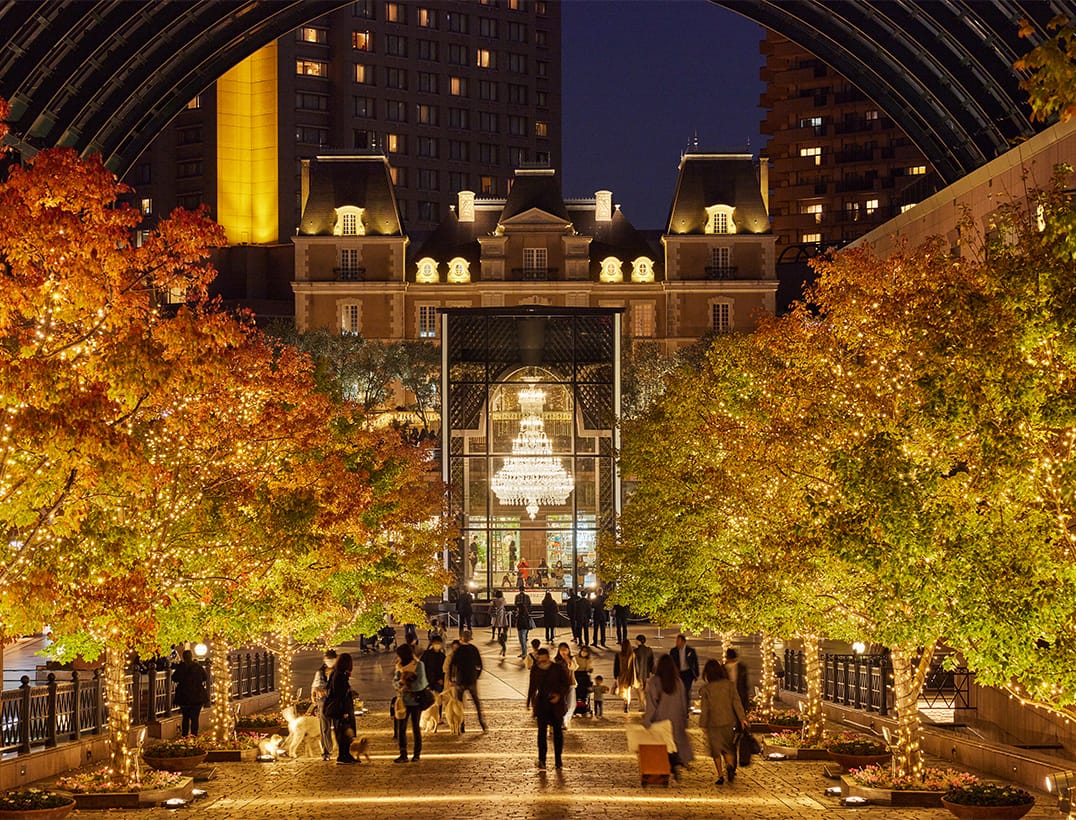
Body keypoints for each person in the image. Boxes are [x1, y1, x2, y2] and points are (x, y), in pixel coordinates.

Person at [643, 653, 695, 778]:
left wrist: (647, 721)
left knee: (662, 746)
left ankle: (667, 767)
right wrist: (684, 719)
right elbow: (684, 702)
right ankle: (675, 762)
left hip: (661, 720)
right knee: (674, 743)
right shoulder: (678, 682)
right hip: (676, 719)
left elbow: (651, 705)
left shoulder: (654, 682)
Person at [699, 659, 747, 785]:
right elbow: (736, 702)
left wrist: (703, 724)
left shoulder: (706, 689)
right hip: (728, 721)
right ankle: (730, 766)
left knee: (716, 751)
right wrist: (742, 718)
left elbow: (705, 709)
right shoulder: (729, 685)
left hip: (713, 723)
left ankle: (720, 775)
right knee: (728, 748)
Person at [526, 647, 570, 770]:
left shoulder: (557, 668)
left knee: (557, 733)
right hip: (542, 704)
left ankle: (558, 760)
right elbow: (532, 685)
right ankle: (542, 759)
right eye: (540, 659)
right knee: (541, 733)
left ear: (548, 657)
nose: (542, 661)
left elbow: (566, 683)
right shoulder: (535, 669)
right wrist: (529, 700)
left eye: (544, 658)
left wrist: (559, 695)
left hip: (556, 705)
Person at [392, 643, 428, 763]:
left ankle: (417, 754)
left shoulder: (418, 665)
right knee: (401, 728)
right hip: (403, 701)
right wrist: (400, 684)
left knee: (415, 728)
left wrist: (407, 686)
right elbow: (395, 682)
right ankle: (403, 753)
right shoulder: (399, 666)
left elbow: (421, 684)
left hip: (415, 701)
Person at [448, 630, 488, 732]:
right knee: (476, 703)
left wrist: (451, 679)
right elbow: (480, 665)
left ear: (461, 638)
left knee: (459, 705)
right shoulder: (473, 649)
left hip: (460, 680)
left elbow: (451, 665)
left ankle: (461, 725)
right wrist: (476, 676)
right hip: (471, 680)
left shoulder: (458, 650)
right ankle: (482, 723)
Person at [325, 652, 359, 764]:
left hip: (342, 707)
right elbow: (340, 695)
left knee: (345, 732)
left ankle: (346, 754)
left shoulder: (337, 674)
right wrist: (344, 711)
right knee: (344, 732)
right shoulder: (340, 676)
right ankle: (342, 755)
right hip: (341, 709)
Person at [171, 649, 208, 736]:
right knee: (195, 718)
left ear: (183, 657)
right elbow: (205, 677)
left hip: (184, 697)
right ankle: (194, 735)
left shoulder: (181, 668)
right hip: (197, 696)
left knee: (185, 717)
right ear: (191, 657)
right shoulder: (198, 667)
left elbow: (174, 678)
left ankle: (184, 735)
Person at [311, 648, 338, 760]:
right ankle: (326, 751)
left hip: (335, 702)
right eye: (328, 659)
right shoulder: (320, 672)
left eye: (331, 659)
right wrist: (314, 696)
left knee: (337, 727)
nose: (329, 661)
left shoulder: (338, 672)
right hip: (323, 702)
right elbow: (315, 686)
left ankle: (341, 750)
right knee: (325, 728)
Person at [670, 634, 700, 706]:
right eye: (676, 641)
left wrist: (696, 674)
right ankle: (679, 705)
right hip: (678, 673)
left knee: (686, 690)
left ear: (683, 642)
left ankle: (686, 705)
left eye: (678, 641)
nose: (677, 643)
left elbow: (695, 662)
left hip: (688, 673)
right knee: (678, 690)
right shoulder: (673, 651)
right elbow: (671, 662)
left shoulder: (690, 651)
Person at [554, 642, 577, 729]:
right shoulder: (555, 660)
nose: (563, 651)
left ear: (568, 650)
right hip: (559, 686)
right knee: (561, 705)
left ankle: (565, 720)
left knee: (571, 705)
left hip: (570, 683)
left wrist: (568, 660)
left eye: (565, 649)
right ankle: (562, 722)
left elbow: (574, 667)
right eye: (561, 650)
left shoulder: (572, 659)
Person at [632, 634, 655, 712]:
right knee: (646, 691)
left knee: (640, 691)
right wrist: (652, 672)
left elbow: (635, 664)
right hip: (647, 673)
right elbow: (652, 662)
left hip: (639, 674)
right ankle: (647, 705)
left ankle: (643, 706)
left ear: (639, 641)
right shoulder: (649, 650)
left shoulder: (635, 651)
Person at [613, 639, 636, 712]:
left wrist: (615, 676)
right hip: (629, 675)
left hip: (621, 675)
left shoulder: (619, 654)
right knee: (628, 690)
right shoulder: (632, 655)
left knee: (622, 690)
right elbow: (635, 666)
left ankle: (625, 702)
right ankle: (627, 704)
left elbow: (616, 666)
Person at [514, 588, 533, 658]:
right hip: (525, 619)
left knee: (522, 638)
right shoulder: (526, 597)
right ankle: (524, 652)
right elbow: (530, 604)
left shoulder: (518, 597)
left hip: (522, 624)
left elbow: (515, 604)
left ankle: (524, 652)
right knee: (522, 638)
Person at [490, 589, 508, 656]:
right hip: (501, 612)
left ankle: (493, 634)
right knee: (500, 624)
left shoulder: (494, 600)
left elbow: (491, 605)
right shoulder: (503, 599)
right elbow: (505, 604)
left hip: (495, 612)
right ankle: (499, 634)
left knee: (494, 624)